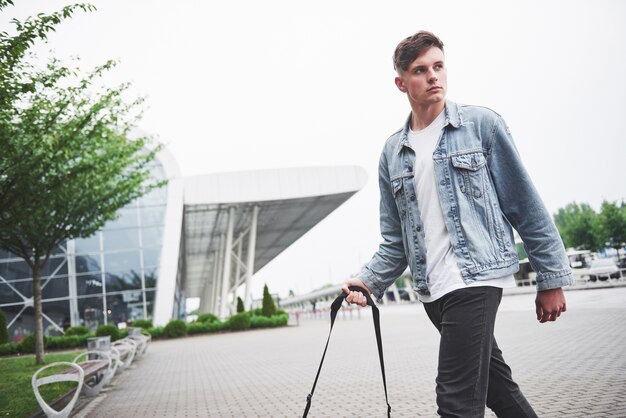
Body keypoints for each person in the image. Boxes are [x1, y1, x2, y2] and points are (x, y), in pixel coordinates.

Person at [342, 30, 573, 418]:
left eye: (438, 66)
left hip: (476, 279)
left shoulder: (482, 126)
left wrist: (550, 277)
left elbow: (525, 205)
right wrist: (369, 281)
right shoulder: (392, 152)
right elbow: (396, 239)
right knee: (498, 392)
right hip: (434, 290)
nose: (433, 76)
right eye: (420, 70)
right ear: (401, 83)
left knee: (455, 401)